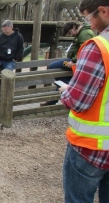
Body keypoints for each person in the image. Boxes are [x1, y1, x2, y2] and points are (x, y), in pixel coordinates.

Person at [58, 0, 109, 202]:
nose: (91, 26)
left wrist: (65, 91)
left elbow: (77, 101)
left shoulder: (98, 47)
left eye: (89, 18)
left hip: (90, 149)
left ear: (103, 11)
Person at [40, 21, 94, 106]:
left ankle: (68, 87)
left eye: (70, 32)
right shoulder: (81, 33)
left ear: (74, 26)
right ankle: (53, 100)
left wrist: (74, 60)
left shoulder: (85, 34)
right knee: (62, 79)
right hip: (74, 61)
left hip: (75, 62)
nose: (71, 35)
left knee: (52, 66)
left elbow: (85, 50)